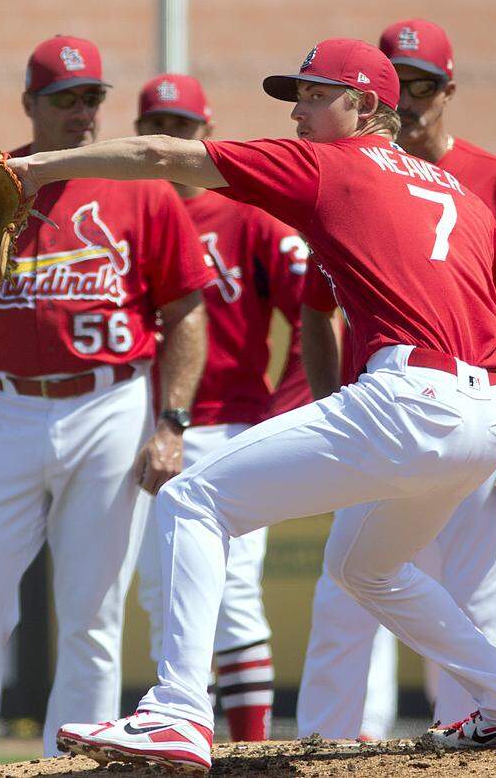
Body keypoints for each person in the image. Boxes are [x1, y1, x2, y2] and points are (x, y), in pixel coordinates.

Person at [2, 37, 496, 772]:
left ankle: (176, 710)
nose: (296, 110)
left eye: (312, 94)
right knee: (367, 567)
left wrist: (32, 167)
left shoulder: (331, 165)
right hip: (487, 415)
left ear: (363, 106)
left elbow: (162, 159)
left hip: (412, 399)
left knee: (193, 500)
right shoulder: (460, 197)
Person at [0, 35, 212, 774]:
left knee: (93, 617)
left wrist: (171, 422)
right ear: (30, 106)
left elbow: (187, 313)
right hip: (6, 406)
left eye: (91, 98)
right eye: (64, 99)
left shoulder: (142, 188)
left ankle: (72, 766)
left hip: (109, 404)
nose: (81, 111)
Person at [296, 18, 496, 739]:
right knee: (345, 595)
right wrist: (334, 409)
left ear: (448, 91)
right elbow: (314, 310)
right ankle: (326, 744)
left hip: (487, 399)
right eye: (398, 82)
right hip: (385, 404)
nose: (409, 99)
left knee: (473, 602)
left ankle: (470, 738)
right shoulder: (344, 176)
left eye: (424, 84)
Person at [132, 73, 310, 741]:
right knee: (163, 598)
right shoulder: (134, 212)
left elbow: (315, 317)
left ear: (206, 133)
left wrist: (283, 413)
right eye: (159, 124)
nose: (170, 136)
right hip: (148, 430)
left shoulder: (247, 216)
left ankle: (253, 747)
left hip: (232, 426)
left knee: (233, 596)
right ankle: (186, 733)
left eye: (182, 126)